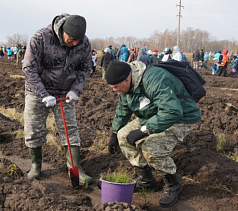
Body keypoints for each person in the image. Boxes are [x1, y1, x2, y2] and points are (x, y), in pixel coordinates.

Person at [105, 60, 201, 207]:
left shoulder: (154, 80)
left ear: (127, 79)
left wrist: (145, 130)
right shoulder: (127, 86)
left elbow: (172, 111)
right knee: (123, 136)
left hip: (181, 117)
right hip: (153, 115)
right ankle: (147, 181)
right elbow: (123, 109)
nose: (114, 90)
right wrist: (114, 132)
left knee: (151, 147)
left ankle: (172, 183)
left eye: (116, 87)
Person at [22, 13, 93, 184]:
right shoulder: (41, 38)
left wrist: (75, 91)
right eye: (71, 39)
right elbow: (28, 68)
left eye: (77, 40)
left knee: (70, 129)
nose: (74, 43)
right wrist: (44, 94)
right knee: (33, 128)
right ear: (62, 30)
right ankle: (35, 166)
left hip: (65, 92)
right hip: (38, 90)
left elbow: (85, 68)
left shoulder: (83, 43)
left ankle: (75, 167)